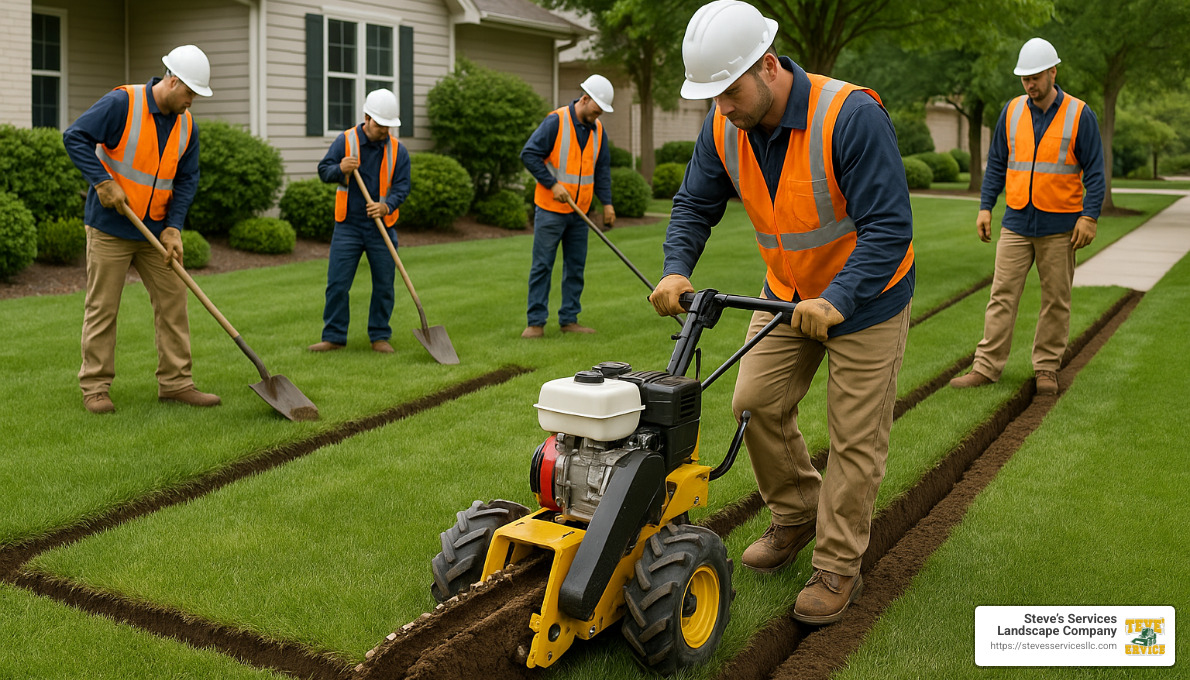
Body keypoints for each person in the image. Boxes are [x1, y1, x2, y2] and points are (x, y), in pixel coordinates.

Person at [648, 0, 914, 624]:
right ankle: (796, 515)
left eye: (729, 91)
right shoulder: (725, 126)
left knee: (854, 439)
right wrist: (675, 267)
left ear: (768, 67)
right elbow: (693, 203)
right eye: (710, 97)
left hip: (868, 299)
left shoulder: (850, 116)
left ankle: (837, 567)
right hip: (786, 292)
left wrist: (839, 300)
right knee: (754, 403)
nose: (722, 108)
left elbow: (889, 228)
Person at [63, 45, 220, 414]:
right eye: (190, 93)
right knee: (103, 307)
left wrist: (174, 228)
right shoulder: (123, 104)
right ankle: (96, 387)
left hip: (155, 233)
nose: (191, 102)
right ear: (173, 80)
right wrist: (102, 182)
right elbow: (75, 136)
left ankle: (177, 383)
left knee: (173, 302)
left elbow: (187, 178)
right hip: (110, 229)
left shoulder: (186, 126)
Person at [950, 38, 1104, 396]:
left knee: (1056, 299)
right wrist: (986, 206)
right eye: (1024, 79)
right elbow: (997, 164)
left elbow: (1095, 171)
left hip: (1060, 226)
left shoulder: (1080, 114)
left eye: (1035, 77)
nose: (1030, 85)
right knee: (1002, 295)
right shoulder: (1012, 111)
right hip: (1017, 222)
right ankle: (986, 368)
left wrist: (1090, 216)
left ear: (1053, 72)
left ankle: (1046, 368)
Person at [309, 89, 411, 354]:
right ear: (366, 118)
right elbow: (324, 171)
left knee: (384, 284)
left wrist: (386, 205)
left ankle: (379, 336)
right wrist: (340, 169)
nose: (384, 130)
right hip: (348, 226)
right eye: (379, 125)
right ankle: (333, 336)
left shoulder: (399, 151)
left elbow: (402, 186)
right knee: (338, 283)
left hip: (382, 227)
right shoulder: (345, 141)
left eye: (388, 126)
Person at [519, 75, 617, 339]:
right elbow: (529, 154)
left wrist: (607, 203)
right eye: (595, 111)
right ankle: (536, 322)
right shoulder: (556, 121)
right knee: (542, 265)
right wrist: (552, 184)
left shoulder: (598, 131)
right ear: (584, 99)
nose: (597, 117)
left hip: (580, 212)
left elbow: (602, 170)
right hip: (551, 209)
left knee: (575, 266)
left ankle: (569, 319)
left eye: (600, 114)